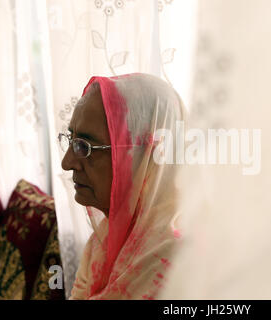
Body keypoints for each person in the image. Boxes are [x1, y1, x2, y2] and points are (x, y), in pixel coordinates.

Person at [60, 73, 186, 299]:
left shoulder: (180, 261)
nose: (67, 163)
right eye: (71, 140)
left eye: (85, 146)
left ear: (146, 154)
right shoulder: (105, 241)